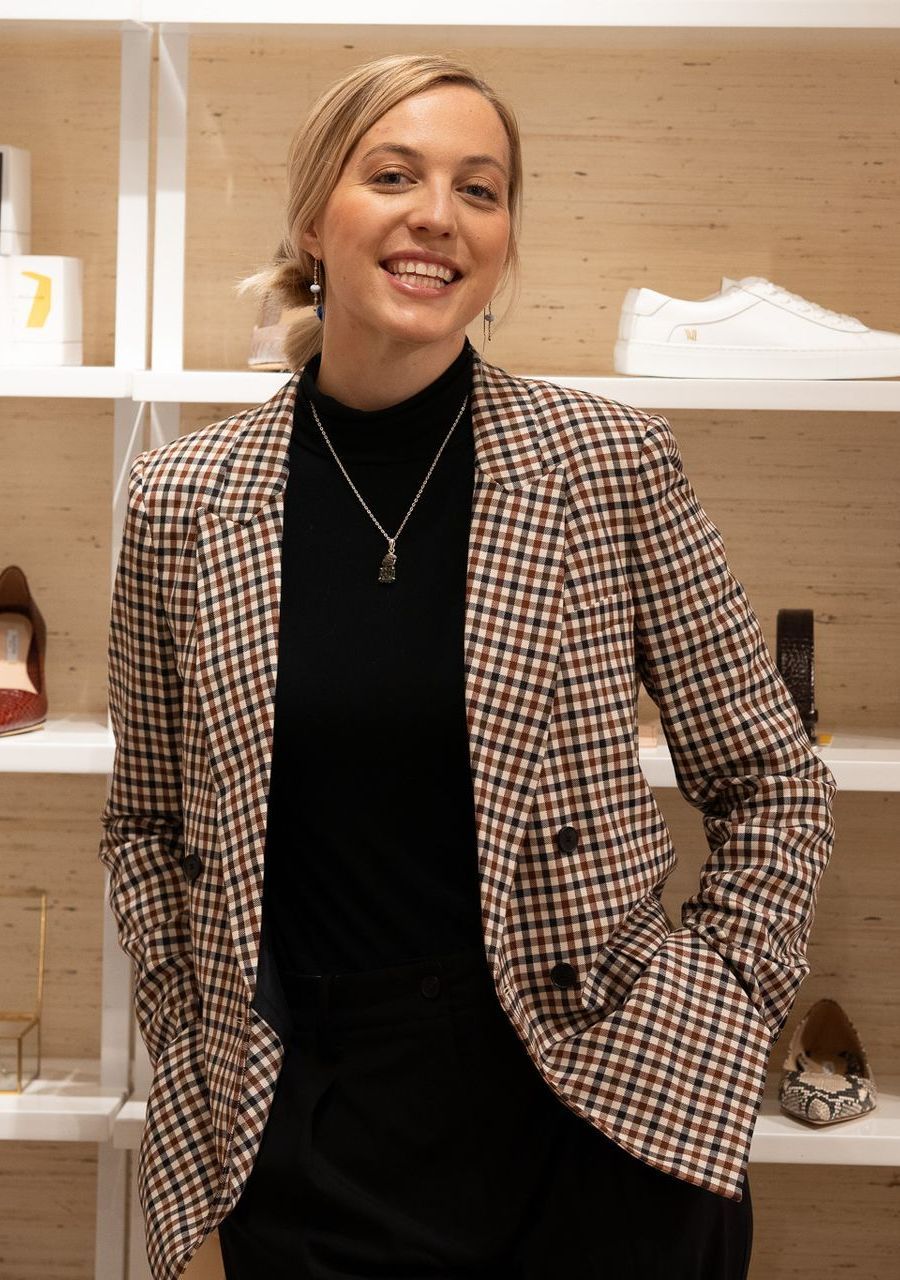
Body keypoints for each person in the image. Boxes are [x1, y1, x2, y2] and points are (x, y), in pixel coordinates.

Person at [98, 52, 836, 1280]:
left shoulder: (607, 462)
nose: (439, 214)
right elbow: (148, 821)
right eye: (395, 174)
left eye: (480, 189)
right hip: (311, 1113)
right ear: (311, 218)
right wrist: (192, 1039)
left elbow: (769, 775)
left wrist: (723, 1000)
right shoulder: (183, 496)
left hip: (605, 1111)